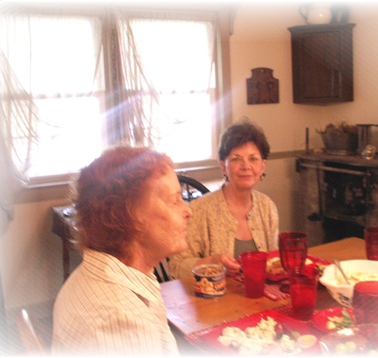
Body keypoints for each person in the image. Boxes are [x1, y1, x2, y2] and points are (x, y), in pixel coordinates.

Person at [51, 145, 192, 355]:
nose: (188, 211)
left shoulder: (108, 276)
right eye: (174, 200)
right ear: (131, 217)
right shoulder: (121, 320)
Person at [169, 118, 279, 279]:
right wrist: (210, 262)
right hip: (214, 300)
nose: (245, 166)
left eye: (253, 159)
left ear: (263, 166)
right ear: (223, 166)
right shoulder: (198, 210)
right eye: (236, 159)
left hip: (259, 298)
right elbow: (176, 267)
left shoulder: (267, 207)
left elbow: (273, 262)